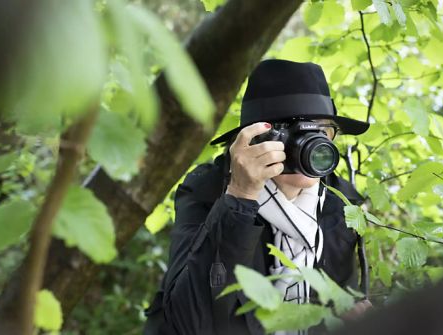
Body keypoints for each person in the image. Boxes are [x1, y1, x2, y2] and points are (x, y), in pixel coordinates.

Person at [144, 59, 372, 335]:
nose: (313, 145)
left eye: (322, 131)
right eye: (294, 131)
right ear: (254, 138)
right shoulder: (207, 189)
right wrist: (240, 197)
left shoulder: (341, 201)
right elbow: (189, 322)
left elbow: (338, 300)